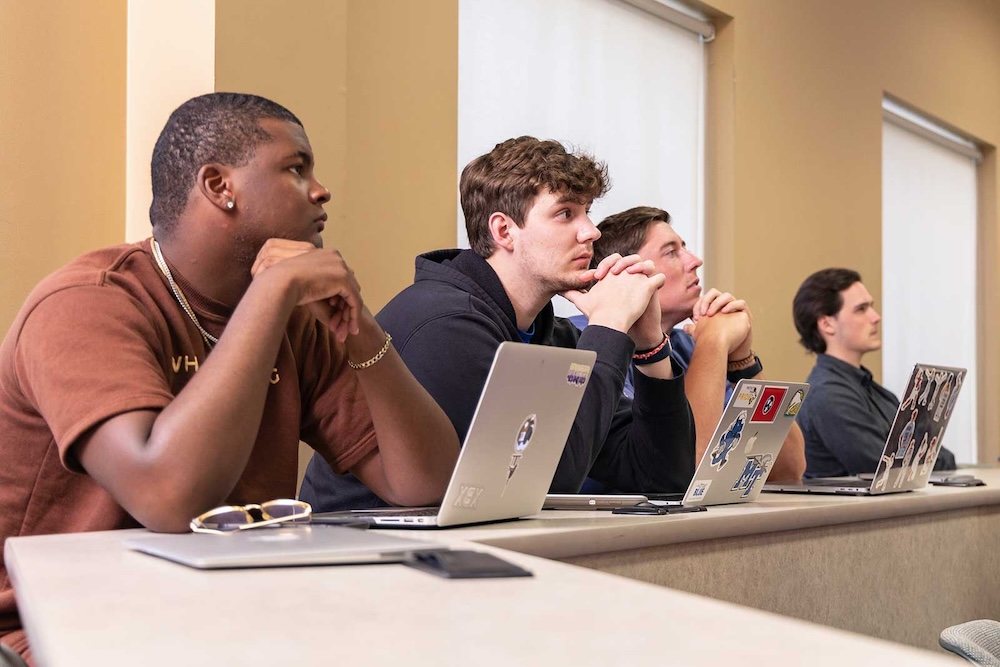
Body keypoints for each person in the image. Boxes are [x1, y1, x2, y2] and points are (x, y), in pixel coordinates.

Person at [0, 93, 459, 661]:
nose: (321, 190)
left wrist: (359, 327)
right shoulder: (87, 304)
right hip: (56, 629)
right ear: (220, 187)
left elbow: (426, 485)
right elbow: (168, 499)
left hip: (225, 613)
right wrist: (272, 293)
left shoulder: (297, 322)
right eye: (296, 168)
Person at [300, 137, 696, 510]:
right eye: (565, 213)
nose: (591, 231)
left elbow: (661, 477)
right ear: (504, 230)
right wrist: (609, 326)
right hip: (366, 557)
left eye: (587, 212)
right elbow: (535, 484)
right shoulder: (443, 324)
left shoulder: (551, 335)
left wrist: (649, 347)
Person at [585, 206, 805, 482]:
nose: (695, 261)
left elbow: (788, 470)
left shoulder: (686, 345)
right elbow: (689, 470)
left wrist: (743, 361)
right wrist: (715, 341)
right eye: (671, 252)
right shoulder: (591, 338)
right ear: (627, 270)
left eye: (685, 248)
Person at [791, 267, 955, 477]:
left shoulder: (874, 392)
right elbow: (884, 471)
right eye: (861, 309)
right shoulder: (829, 395)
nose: (875, 317)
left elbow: (942, 458)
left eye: (871, 307)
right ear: (827, 324)